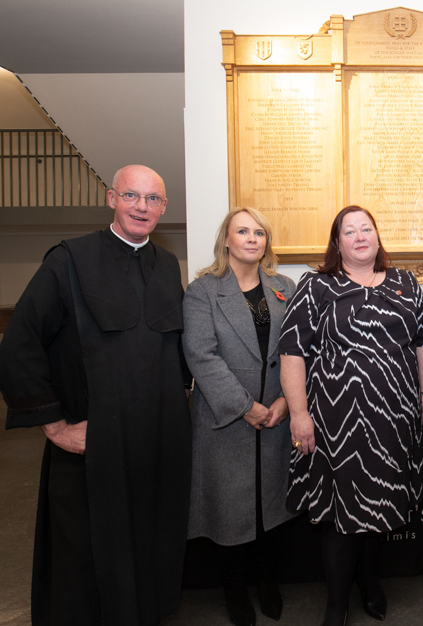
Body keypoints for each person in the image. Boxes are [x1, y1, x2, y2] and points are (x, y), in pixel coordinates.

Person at [0, 165, 192, 626]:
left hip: (155, 443)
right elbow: (21, 343)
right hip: (94, 443)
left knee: (151, 536)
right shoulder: (68, 260)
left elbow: (176, 349)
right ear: (111, 198)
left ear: (163, 209)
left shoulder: (166, 266)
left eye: (153, 200)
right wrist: (55, 424)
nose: (142, 207)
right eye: (132, 195)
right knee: (84, 552)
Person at [280, 206, 423, 626]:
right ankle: (336, 602)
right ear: (337, 243)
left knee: (382, 500)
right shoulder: (315, 286)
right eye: (350, 231)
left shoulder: (405, 283)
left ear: (377, 236)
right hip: (336, 421)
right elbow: (292, 352)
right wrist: (298, 414)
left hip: (394, 417)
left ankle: (370, 580)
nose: (360, 236)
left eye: (367, 228)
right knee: (340, 512)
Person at [183, 208, 297, 626]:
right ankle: (234, 591)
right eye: (243, 231)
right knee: (230, 510)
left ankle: (268, 583)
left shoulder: (284, 287)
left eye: (260, 232)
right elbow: (201, 356)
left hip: (276, 417)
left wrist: (287, 399)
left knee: (269, 507)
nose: (252, 238)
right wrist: (246, 407)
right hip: (227, 419)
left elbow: (298, 349)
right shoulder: (203, 291)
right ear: (226, 241)